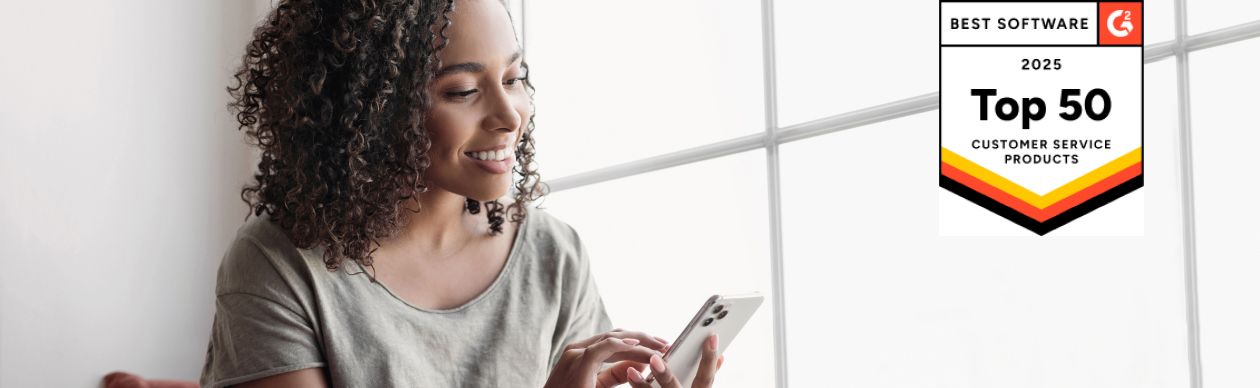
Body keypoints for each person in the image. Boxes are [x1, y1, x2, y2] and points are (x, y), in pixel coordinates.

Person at [199, 0, 725, 387]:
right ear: (371, 110)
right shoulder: (278, 265)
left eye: (515, 77)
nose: (510, 114)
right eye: (463, 91)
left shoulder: (553, 256)